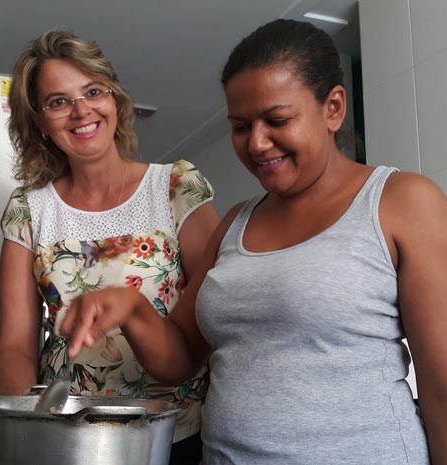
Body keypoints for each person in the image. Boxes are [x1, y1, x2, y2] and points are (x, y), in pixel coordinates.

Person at [60, 19, 447, 465]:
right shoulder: (234, 225)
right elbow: (181, 359)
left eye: (277, 120)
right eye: (241, 127)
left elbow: (440, 385)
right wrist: (130, 308)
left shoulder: (402, 202)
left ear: (333, 108)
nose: (257, 143)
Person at [0, 30, 220, 465]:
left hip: (173, 435)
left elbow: (213, 322)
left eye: (92, 92)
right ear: (40, 122)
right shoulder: (28, 208)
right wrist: (29, 425)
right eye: (58, 101)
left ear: (114, 99)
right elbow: (14, 347)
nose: (81, 111)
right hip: (67, 438)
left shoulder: (176, 186)